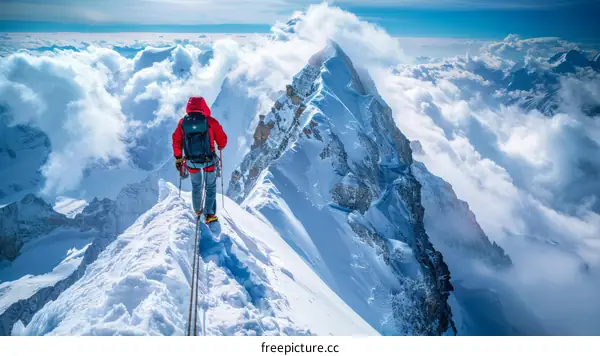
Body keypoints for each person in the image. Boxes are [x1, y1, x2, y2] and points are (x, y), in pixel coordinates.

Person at [172, 96, 227, 223]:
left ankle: (197, 211)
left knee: (196, 186)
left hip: (191, 162)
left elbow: (176, 140)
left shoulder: (182, 123)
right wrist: (220, 145)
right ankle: (209, 214)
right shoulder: (210, 121)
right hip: (209, 161)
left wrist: (178, 158)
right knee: (210, 186)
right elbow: (222, 139)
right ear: (203, 106)